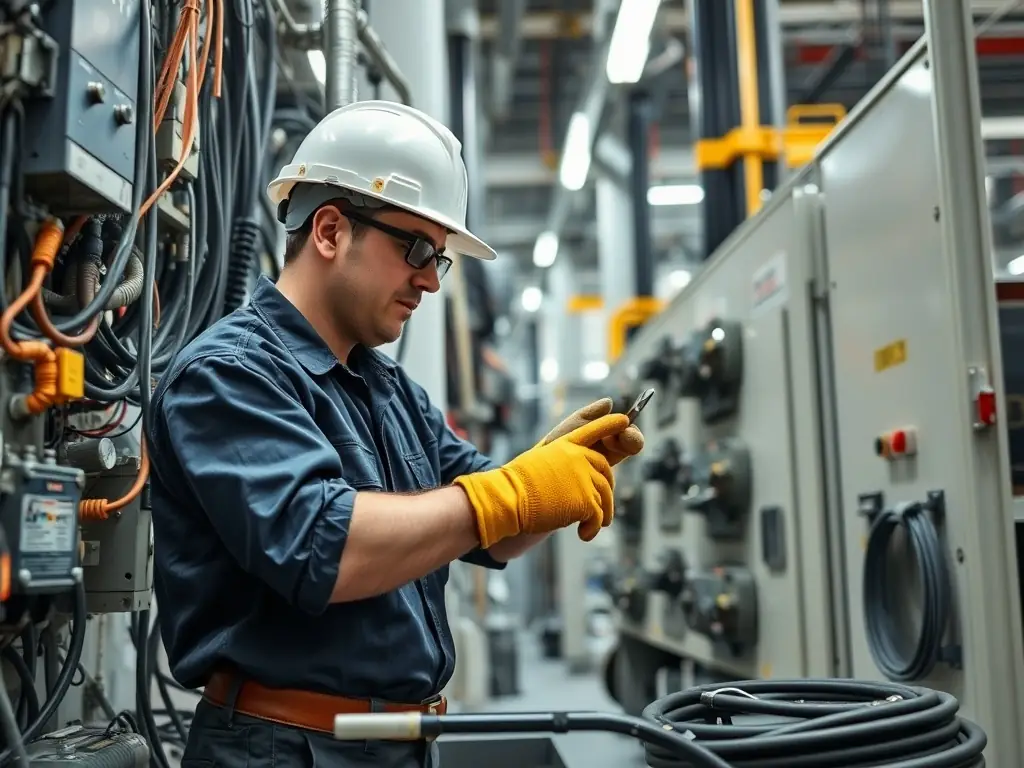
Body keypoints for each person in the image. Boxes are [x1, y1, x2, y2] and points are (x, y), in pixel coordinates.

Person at [145, 101, 646, 768]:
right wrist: (510, 492)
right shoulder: (228, 375)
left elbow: (490, 533)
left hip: (395, 746)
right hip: (288, 750)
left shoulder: (389, 390)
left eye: (440, 257)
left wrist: (553, 469)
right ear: (329, 230)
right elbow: (323, 548)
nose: (433, 280)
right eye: (415, 248)